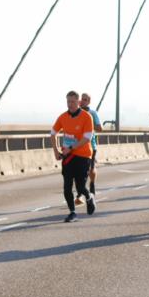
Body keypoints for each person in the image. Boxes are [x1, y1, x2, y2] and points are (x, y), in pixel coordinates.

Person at [51, 91, 97, 223]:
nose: (70, 104)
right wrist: (56, 151)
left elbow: (87, 138)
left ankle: (89, 197)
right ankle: (72, 212)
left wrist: (71, 147)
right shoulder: (63, 117)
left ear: (78, 102)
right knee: (67, 186)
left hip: (83, 155)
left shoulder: (86, 117)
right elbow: (53, 133)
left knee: (80, 187)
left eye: (72, 102)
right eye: (68, 102)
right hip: (68, 156)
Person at [75, 93, 103, 205]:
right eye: (82, 99)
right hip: (77, 146)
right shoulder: (75, 113)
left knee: (89, 170)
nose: (83, 101)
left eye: (85, 99)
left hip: (91, 146)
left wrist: (88, 124)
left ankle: (92, 184)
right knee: (78, 172)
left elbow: (100, 128)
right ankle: (79, 195)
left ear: (89, 102)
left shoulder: (93, 113)